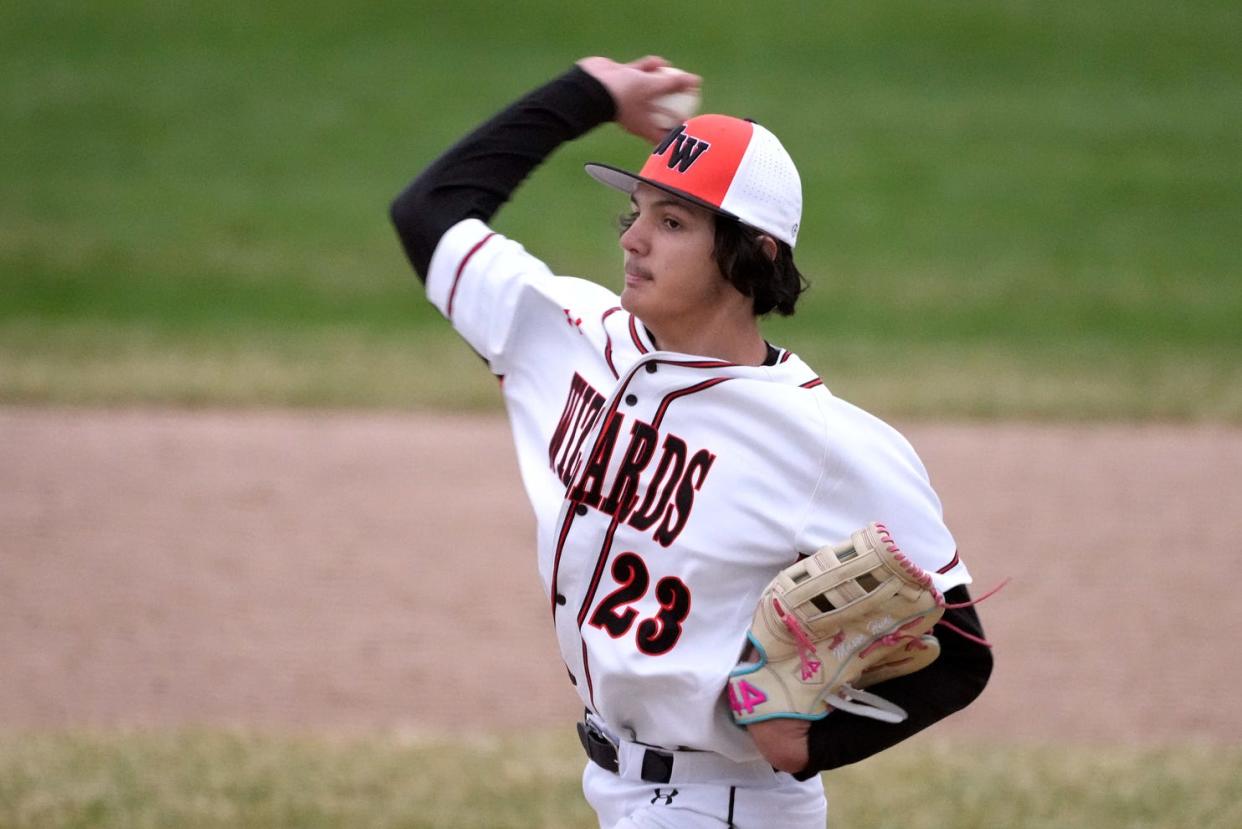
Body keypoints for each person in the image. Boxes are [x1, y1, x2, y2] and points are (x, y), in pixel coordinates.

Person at [390, 55, 993, 829]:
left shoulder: (821, 442)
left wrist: (811, 744)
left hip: (729, 804)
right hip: (616, 786)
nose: (633, 239)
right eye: (636, 211)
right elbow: (429, 212)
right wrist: (590, 93)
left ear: (753, 253)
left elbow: (961, 650)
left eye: (672, 222)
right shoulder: (573, 333)